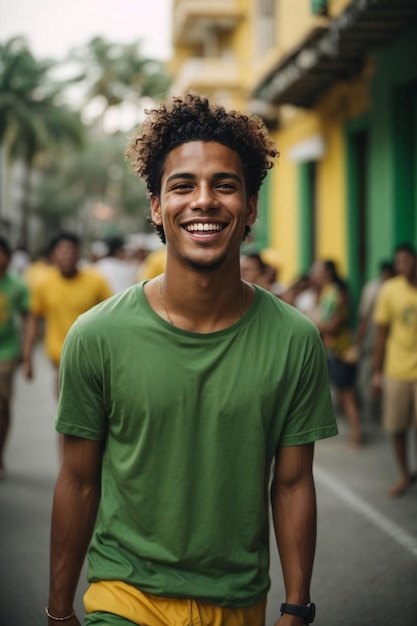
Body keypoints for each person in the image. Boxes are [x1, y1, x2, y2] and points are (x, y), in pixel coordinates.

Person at [46, 93, 338, 626]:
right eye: (182, 186)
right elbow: (78, 481)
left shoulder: (295, 338)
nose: (203, 200)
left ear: (250, 207)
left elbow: (294, 482)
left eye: (224, 185)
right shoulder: (97, 336)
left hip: (239, 604)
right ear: (157, 207)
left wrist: (297, 607)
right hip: (122, 597)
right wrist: (59, 609)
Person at [21, 231, 112, 396]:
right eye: (63, 251)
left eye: (72, 250)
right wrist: (27, 356)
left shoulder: (96, 280)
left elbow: (112, 315)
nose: (68, 255)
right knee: (65, 394)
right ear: (53, 255)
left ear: (79, 254)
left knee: (92, 400)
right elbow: (33, 320)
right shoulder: (44, 283)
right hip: (59, 353)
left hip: (92, 354)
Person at [372, 243, 417, 496]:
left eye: (407, 261)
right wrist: (376, 373)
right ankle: (403, 474)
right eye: (399, 262)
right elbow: (381, 334)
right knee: (397, 428)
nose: (403, 266)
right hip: (396, 371)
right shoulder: (390, 290)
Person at [309, 259, 362, 448]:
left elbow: (332, 325)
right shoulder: (324, 293)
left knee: (348, 395)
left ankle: (356, 435)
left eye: (317, 270)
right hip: (331, 351)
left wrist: (309, 322)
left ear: (328, 273)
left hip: (342, 352)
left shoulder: (337, 293)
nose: (313, 274)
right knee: (342, 394)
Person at [0, 235, 30, 478]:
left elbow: (29, 316)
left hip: (6, 352)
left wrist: (26, 352)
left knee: (1, 407)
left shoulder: (17, 285)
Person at [355, 260, 395, 421]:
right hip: (373, 340)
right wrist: (358, 340)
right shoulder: (373, 289)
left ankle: (382, 410)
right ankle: (371, 411)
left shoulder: (394, 289)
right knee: (369, 374)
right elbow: (364, 319)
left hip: (390, 343)